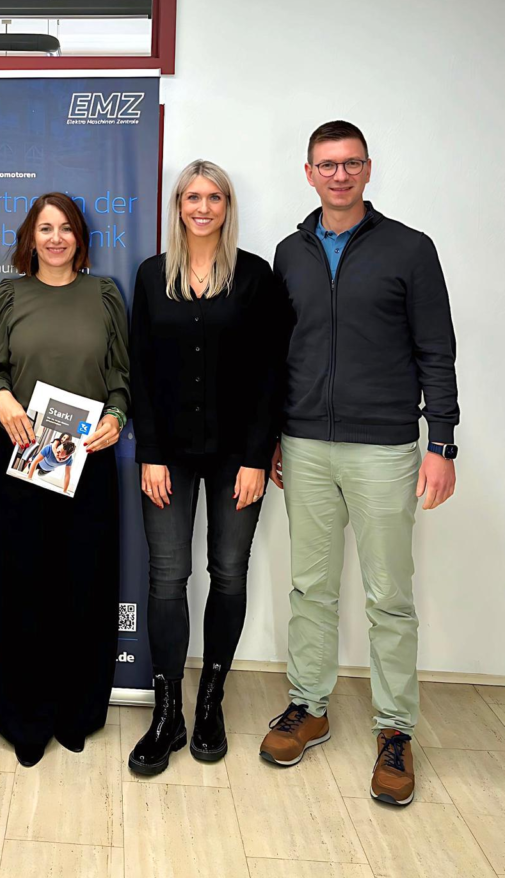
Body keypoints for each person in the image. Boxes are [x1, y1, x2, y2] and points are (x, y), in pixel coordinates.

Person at [259, 121, 459, 808]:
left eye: (350, 164)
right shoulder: (289, 253)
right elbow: (279, 354)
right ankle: (308, 706)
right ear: (308, 172)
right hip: (305, 445)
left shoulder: (410, 249)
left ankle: (395, 730)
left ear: (368, 169)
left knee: (388, 596)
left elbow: (436, 350)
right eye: (327, 165)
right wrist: (275, 436)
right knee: (310, 588)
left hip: (385, 448)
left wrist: (442, 443)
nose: (339, 175)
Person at [126, 160, 282, 776]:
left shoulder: (255, 276)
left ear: (227, 207)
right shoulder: (151, 275)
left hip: (236, 458)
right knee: (167, 578)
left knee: (228, 573)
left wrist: (256, 457)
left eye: (214, 197)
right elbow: (140, 369)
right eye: (192, 196)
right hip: (166, 455)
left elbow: (269, 373)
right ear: (178, 206)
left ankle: (210, 700)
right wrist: (150, 453)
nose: (203, 207)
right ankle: (167, 712)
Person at [0, 192, 130, 767]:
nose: (56, 238)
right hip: (24, 454)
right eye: (45, 228)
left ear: (79, 238)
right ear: (30, 237)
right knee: (22, 586)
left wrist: (117, 416)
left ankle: (77, 713)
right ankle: (24, 717)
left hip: (88, 460)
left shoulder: (105, 294)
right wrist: (2, 399)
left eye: (66, 228)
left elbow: (121, 377)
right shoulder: (10, 294)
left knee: (83, 587)